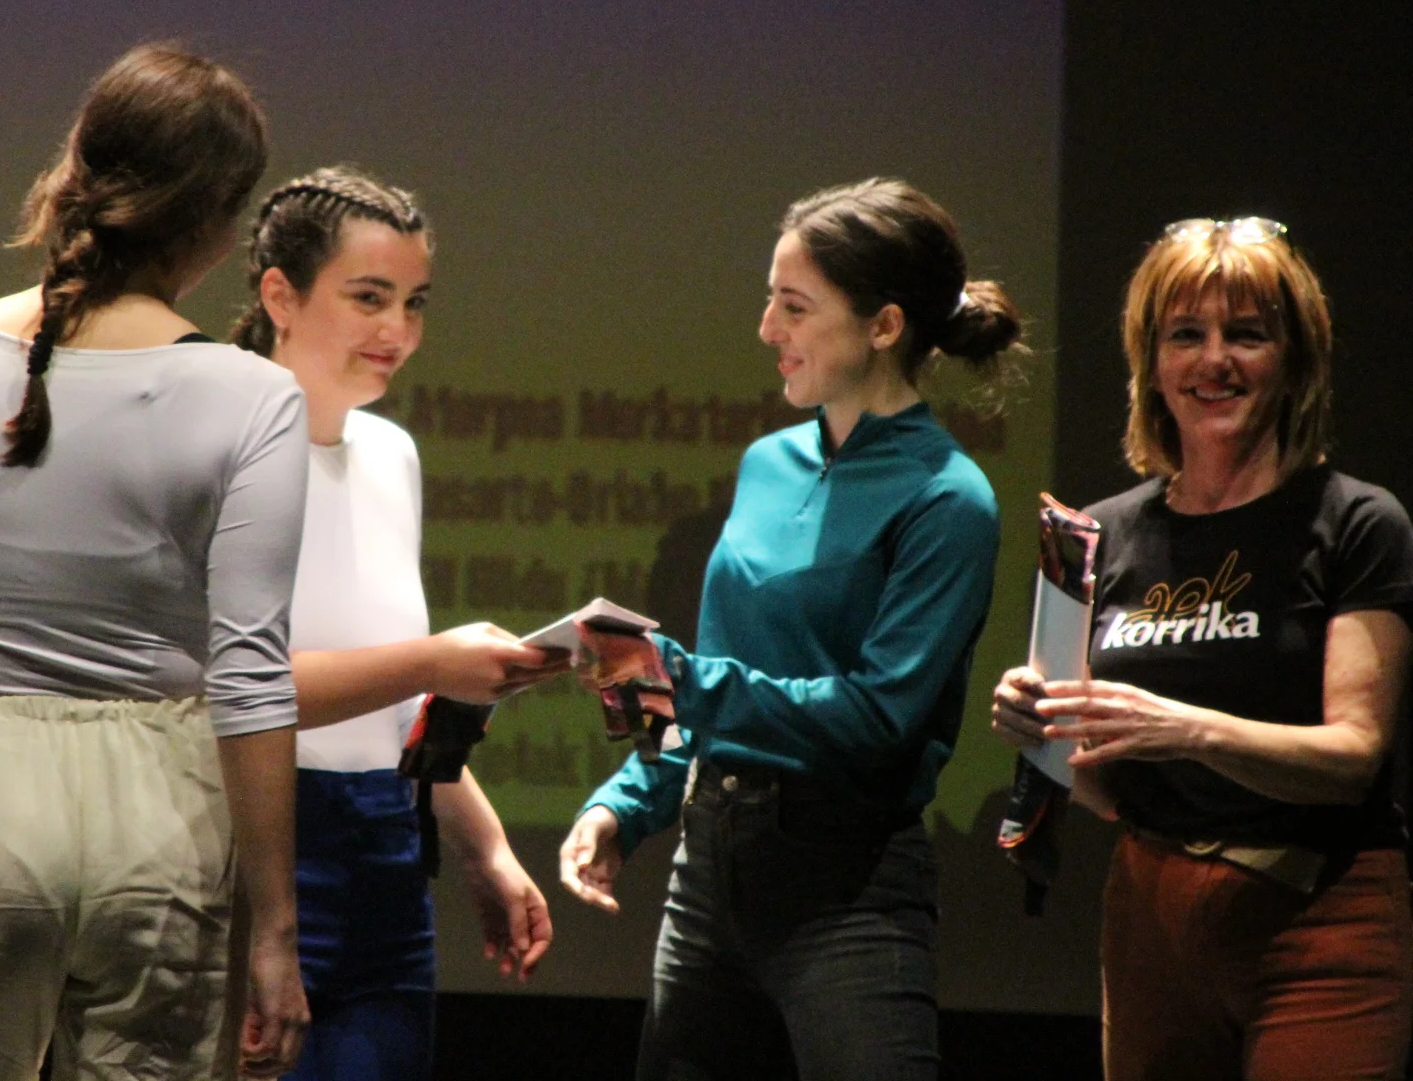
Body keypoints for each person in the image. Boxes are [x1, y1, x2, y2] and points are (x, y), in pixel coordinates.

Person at [0, 44, 310, 1080]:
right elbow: (250, 677)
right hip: (159, 819)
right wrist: (277, 929)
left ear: (75, 171)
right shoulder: (252, 398)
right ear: (217, 222)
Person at [558, 177, 1025, 1081]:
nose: (767, 328)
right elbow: (722, 689)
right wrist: (628, 802)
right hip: (707, 877)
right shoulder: (767, 462)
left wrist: (683, 677)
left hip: (845, 890)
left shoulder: (947, 497)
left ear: (884, 325)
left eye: (795, 307)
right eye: (771, 299)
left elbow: (879, 718)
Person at [989, 217, 1413, 1080]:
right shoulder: (1096, 534)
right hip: (1152, 916)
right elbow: (1103, 788)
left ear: (1294, 358)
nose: (1214, 360)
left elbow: (1353, 758)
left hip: (1319, 912)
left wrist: (1183, 727)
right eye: (1186, 335)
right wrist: (1042, 730)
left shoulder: (1357, 522)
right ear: (1151, 363)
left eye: (1246, 334)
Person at [231, 168, 565, 1080]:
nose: (398, 332)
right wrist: (432, 661)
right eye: (369, 298)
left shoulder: (391, 453)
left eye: (414, 303)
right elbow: (232, 692)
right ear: (280, 296)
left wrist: (485, 847)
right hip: (252, 848)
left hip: (387, 849)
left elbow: (391, 710)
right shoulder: (221, 447)